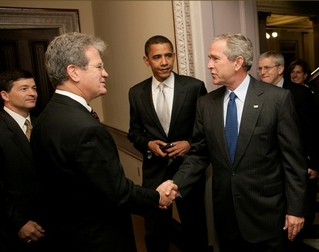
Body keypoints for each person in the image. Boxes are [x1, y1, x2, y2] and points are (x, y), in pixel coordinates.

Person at [30, 32, 178, 252]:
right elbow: (118, 193)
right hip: (97, 238)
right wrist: (157, 198)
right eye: (98, 67)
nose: (106, 73)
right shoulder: (86, 129)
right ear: (73, 72)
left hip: (65, 234)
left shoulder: (45, 117)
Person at [163, 33, 309, 251]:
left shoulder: (276, 99)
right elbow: (199, 154)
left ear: (238, 62)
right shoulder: (206, 104)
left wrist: (296, 210)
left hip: (268, 217)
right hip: (227, 219)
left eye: (215, 58)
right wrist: (176, 183)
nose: (209, 65)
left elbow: (293, 161)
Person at [127, 35, 209, 252]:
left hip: (188, 172)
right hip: (155, 171)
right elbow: (134, 132)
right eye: (157, 57)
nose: (164, 62)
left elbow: (207, 131)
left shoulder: (194, 88)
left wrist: (189, 144)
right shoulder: (136, 93)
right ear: (147, 60)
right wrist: (148, 145)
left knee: (195, 228)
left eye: (168, 55)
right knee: (155, 231)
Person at [258, 51, 319, 251]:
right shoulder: (256, 93)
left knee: (298, 208)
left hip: (297, 162)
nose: (262, 72)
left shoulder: (299, 93)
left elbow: (311, 129)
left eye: (266, 68)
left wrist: (313, 163)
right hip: (269, 166)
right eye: (259, 68)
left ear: (279, 69)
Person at [0, 69, 45, 252]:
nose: (32, 93)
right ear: (5, 95)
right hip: (15, 226)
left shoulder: (42, 123)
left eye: (34, 88)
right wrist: (18, 222)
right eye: (24, 88)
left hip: (49, 219)